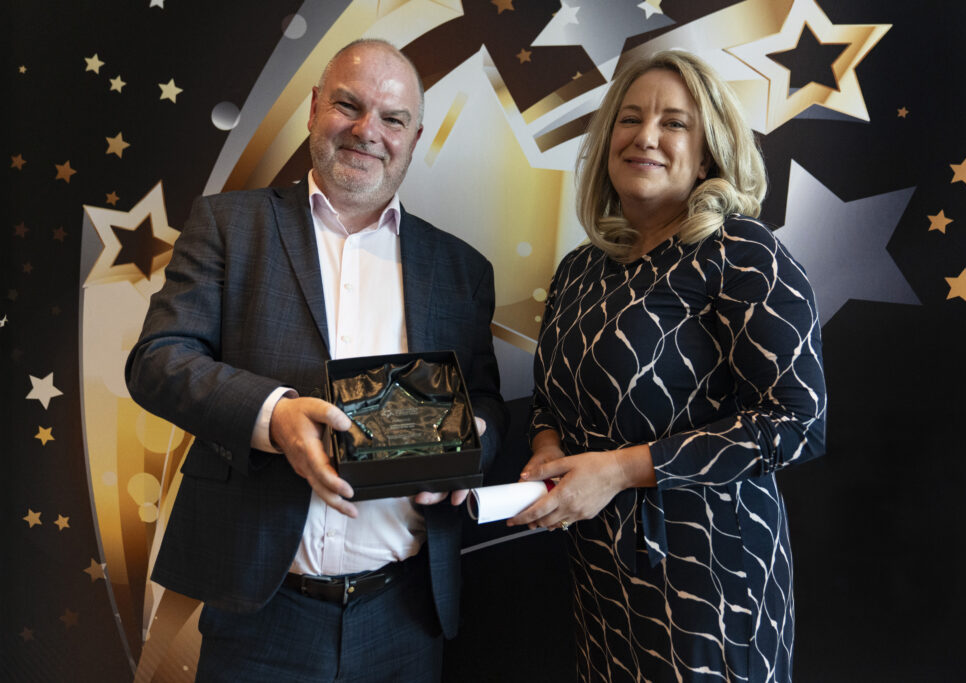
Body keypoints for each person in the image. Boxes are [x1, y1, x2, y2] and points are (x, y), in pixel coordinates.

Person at [125, 39, 507, 682]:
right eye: (348, 105)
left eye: (393, 119)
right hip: (257, 610)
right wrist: (273, 417)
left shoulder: (461, 269)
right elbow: (158, 360)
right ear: (312, 110)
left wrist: (466, 452)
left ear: (414, 137)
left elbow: (488, 404)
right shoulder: (228, 224)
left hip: (407, 616)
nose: (367, 131)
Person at [508, 50, 826, 682]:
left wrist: (621, 470)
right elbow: (548, 399)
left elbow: (796, 423)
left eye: (674, 123)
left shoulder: (741, 251)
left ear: (707, 152)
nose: (645, 137)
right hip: (600, 574)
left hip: (709, 576)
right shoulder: (580, 269)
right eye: (629, 119)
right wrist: (546, 445)